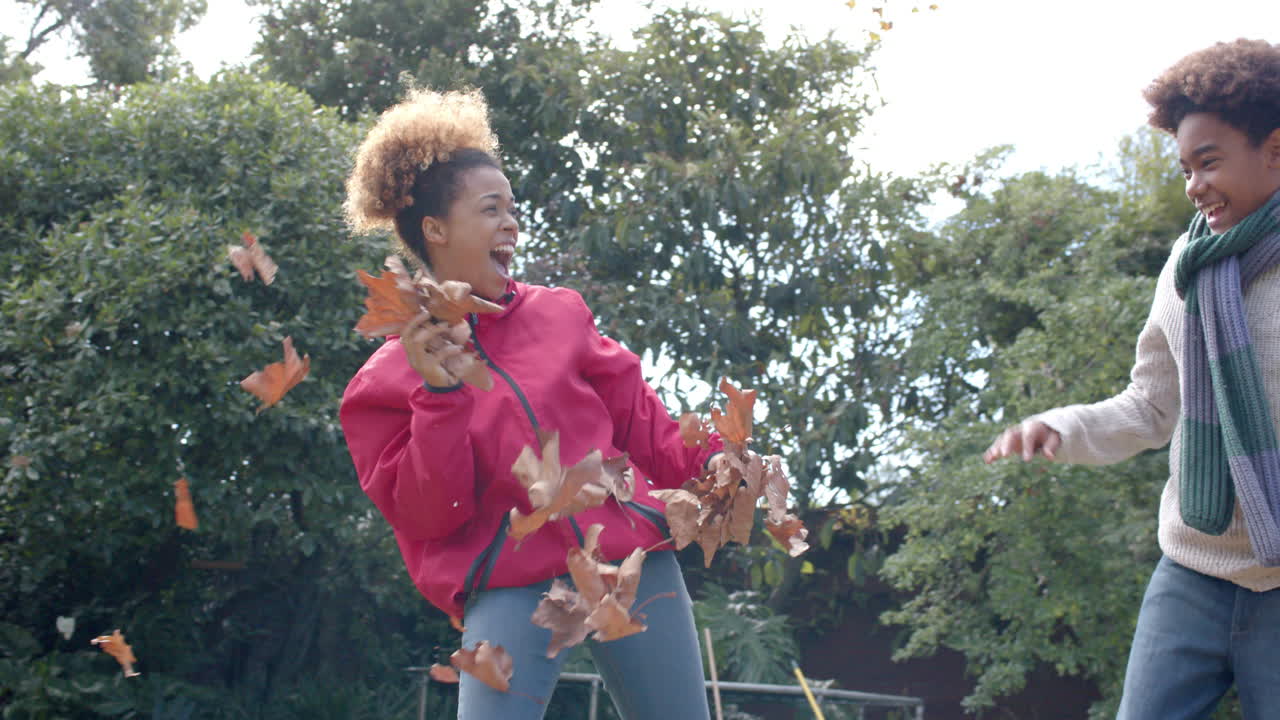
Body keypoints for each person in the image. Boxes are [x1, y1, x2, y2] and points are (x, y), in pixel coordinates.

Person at [338, 87, 720, 720]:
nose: (511, 223)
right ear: (435, 230)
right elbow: (432, 516)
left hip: (630, 565)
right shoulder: (383, 383)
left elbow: (649, 432)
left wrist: (721, 458)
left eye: (512, 209)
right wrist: (439, 396)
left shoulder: (561, 314)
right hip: (513, 583)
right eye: (491, 210)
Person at [983, 39, 1280, 719]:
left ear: (1275, 149)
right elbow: (1149, 406)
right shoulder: (1189, 265)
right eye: (1184, 169)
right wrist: (1061, 426)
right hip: (1192, 575)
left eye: (1209, 163)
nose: (1194, 185)